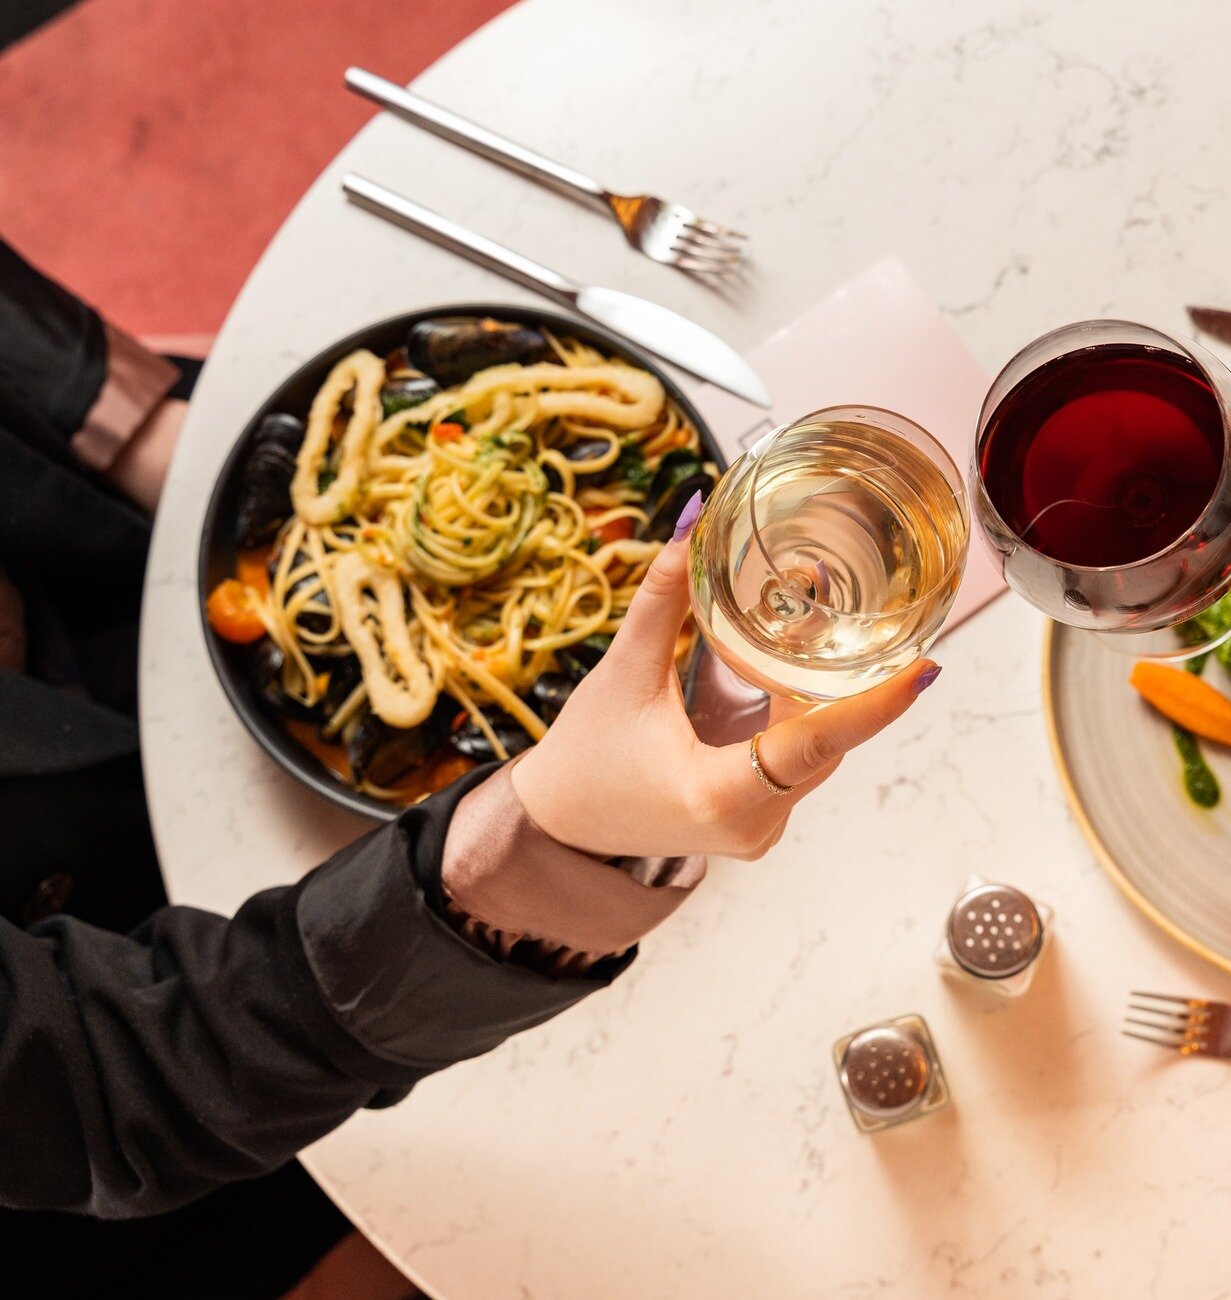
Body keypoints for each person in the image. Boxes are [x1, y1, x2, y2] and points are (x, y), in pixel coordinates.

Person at [0, 234, 938, 1294]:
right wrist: (523, 849)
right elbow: (106, 1079)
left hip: (81, 519)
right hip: (159, 1100)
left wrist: (125, 424)